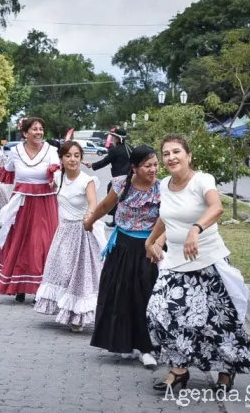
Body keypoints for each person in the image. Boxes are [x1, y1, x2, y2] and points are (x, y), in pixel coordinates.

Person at [145, 135, 250, 393]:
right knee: (160, 312)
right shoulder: (164, 184)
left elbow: (216, 207)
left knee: (216, 322)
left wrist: (195, 230)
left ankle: (226, 372)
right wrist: (152, 240)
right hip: (175, 260)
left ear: (189, 155)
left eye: (176, 152)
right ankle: (179, 369)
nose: (171, 157)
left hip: (207, 261)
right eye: (166, 153)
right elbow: (166, 216)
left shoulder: (202, 180)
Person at [84, 145, 162, 369]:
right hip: (122, 248)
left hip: (148, 248)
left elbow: (165, 220)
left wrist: (158, 244)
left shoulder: (161, 189)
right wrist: (89, 222)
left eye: (156, 165)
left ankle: (147, 347)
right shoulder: (121, 184)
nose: (153, 169)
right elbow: (105, 205)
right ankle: (125, 343)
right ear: (134, 168)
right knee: (121, 296)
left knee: (145, 296)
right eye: (148, 165)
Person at [34, 141, 106, 332]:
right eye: (68, 156)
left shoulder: (87, 180)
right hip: (64, 231)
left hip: (83, 233)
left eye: (76, 155)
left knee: (80, 276)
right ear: (62, 159)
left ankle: (78, 318)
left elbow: (93, 204)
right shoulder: (58, 177)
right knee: (62, 271)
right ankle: (66, 309)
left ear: (81, 158)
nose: (72, 159)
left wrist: (89, 217)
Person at [0, 117, 60, 303]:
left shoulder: (51, 151)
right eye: (34, 129)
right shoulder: (16, 151)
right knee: (20, 243)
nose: (39, 132)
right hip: (21, 203)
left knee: (41, 243)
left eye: (41, 129)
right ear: (25, 133)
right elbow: (5, 173)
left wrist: (54, 178)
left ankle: (39, 288)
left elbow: (56, 171)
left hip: (44, 203)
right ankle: (19, 286)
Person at [84, 128, 132, 227]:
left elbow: (104, 161)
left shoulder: (115, 150)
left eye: (114, 138)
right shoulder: (130, 148)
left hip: (118, 180)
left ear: (118, 139)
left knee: (113, 198)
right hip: (130, 179)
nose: (113, 139)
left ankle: (115, 220)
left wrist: (92, 165)